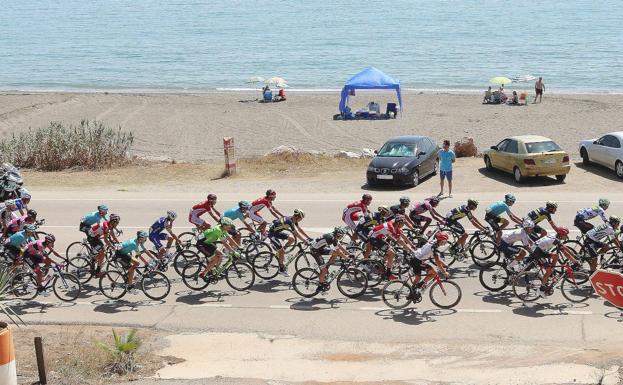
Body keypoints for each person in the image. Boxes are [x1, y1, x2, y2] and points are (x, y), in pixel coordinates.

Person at [529, 227, 578, 298]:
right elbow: (565, 252)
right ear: (561, 235)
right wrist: (574, 261)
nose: (566, 237)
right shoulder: (556, 240)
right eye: (565, 235)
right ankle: (541, 289)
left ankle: (551, 272)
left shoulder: (554, 237)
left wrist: (574, 256)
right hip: (536, 251)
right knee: (549, 270)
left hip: (539, 249)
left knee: (556, 256)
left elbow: (565, 248)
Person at [368, 215, 416, 280]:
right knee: (392, 253)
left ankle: (379, 265)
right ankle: (388, 274)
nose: (403, 225)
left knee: (391, 251)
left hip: (379, 237)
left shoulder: (395, 225)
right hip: (374, 238)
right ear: (398, 223)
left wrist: (412, 245)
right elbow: (400, 240)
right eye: (403, 223)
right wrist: (410, 250)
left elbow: (403, 236)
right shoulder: (391, 227)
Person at [267, 209, 311, 276]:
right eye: (301, 218)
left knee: (292, 239)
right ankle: (281, 270)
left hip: (277, 232)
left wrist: (308, 237)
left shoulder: (293, 219)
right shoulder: (289, 221)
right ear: (297, 217)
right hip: (272, 234)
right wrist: (304, 241)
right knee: (282, 252)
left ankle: (281, 251)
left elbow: (299, 229)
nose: (301, 220)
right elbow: (296, 233)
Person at [88, 213, 121, 277]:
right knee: (102, 254)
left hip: (95, 237)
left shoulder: (110, 225)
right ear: (112, 222)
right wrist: (113, 247)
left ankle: (94, 258)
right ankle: (97, 272)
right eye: (117, 222)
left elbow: (113, 236)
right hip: (92, 238)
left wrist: (119, 243)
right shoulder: (106, 227)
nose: (117, 224)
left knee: (102, 252)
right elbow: (106, 240)